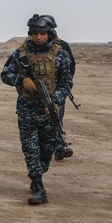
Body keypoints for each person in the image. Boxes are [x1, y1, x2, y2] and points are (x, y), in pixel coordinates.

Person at [0, 14, 73, 205]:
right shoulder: (20, 54)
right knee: (30, 148)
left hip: (49, 110)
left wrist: (55, 100)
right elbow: (5, 74)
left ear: (49, 34)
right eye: (35, 33)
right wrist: (22, 80)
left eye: (42, 33)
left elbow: (66, 83)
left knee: (47, 151)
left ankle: (38, 173)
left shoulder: (61, 54)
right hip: (26, 109)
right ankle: (38, 185)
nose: (39, 37)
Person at [45, 15, 76, 160]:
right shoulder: (31, 46)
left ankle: (59, 148)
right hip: (36, 92)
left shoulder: (62, 45)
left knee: (57, 117)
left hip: (57, 91)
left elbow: (71, 66)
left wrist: (65, 84)